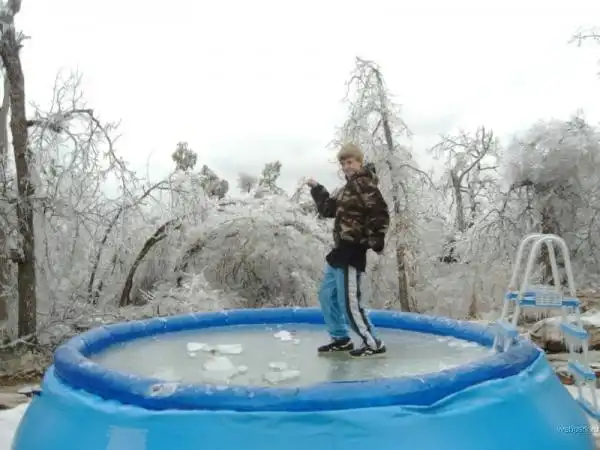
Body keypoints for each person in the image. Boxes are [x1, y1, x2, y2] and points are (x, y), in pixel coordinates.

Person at [306, 143, 390, 357]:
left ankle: (373, 343)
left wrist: (374, 240)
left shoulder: (366, 185)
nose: (346, 166)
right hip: (339, 251)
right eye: (343, 163)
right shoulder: (346, 189)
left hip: (352, 251)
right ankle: (340, 338)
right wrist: (317, 188)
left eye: (350, 162)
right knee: (326, 296)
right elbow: (328, 209)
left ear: (359, 162)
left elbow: (380, 213)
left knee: (349, 303)